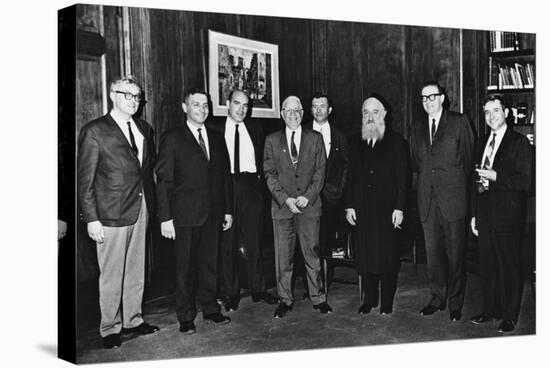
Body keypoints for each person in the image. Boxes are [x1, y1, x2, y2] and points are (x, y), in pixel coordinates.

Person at [77, 76, 159, 349]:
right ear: (113, 95)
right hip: (109, 214)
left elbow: (145, 172)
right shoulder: (95, 131)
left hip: (141, 208)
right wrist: (91, 218)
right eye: (128, 95)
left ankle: (134, 319)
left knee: (136, 270)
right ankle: (110, 327)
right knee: (112, 273)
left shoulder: (145, 129)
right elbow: (85, 180)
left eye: (137, 97)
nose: (134, 101)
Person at [155, 88, 233, 335]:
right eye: (196, 104)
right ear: (184, 107)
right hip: (184, 216)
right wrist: (165, 217)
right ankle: (186, 315)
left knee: (210, 264)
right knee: (185, 268)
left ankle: (210, 309)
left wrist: (227, 211)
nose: (202, 109)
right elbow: (164, 180)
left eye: (206, 105)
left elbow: (224, 179)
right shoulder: (173, 137)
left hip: (213, 213)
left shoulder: (217, 137)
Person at [410, 80, 474, 322]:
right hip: (427, 201)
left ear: (443, 98)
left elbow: (468, 162)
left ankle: (456, 304)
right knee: (433, 255)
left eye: (433, 96)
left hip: (453, 201)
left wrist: (455, 187)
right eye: (424, 98)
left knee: (456, 256)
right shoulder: (416, 128)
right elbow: (416, 163)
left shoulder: (459, 122)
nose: (429, 101)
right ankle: (437, 298)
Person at [469, 94, 533, 333]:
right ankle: (491, 309)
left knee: (508, 266)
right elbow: (475, 181)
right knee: (488, 265)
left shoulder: (519, 143)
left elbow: (526, 181)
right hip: (485, 215)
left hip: (508, 216)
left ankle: (509, 315)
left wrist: (496, 178)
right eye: (487, 112)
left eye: (496, 110)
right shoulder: (481, 141)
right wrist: (474, 214)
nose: (491, 116)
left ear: (506, 113)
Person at [263, 95, 331, 318]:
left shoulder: (315, 139)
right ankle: (285, 299)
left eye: (297, 111)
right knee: (284, 257)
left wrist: (307, 196)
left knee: (312, 254)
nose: (292, 115)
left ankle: (318, 297)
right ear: (282, 114)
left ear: (303, 113)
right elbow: (269, 174)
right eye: (288, 111)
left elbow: (320, 172)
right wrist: (286, 199)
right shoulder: (272, 140)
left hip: (309, 207)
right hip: (282, 208)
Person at [344, 95, 408, 315]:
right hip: (362, 209)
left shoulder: (397, 142)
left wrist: (399, 208)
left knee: (387, 257)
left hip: (387, 211)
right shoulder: (354, 142)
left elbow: (403, 179)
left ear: (384, 115)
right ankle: (369, 299)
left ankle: (387, 302)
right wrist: (349, 205)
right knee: (366, 256)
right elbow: (350, 177)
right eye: (366, 112)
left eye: (375, 112)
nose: (370, 117)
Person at [214, 89, 277, 311]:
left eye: (246, 105)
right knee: (228, 243)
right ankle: (231, 293)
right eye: (237, 104)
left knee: (254, 240)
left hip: (251, 187)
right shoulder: (216, 128)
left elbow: (264, 159)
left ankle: (259, 288)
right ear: (228, 104)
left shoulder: (255, 128)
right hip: (227, 186)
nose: (242, 109)